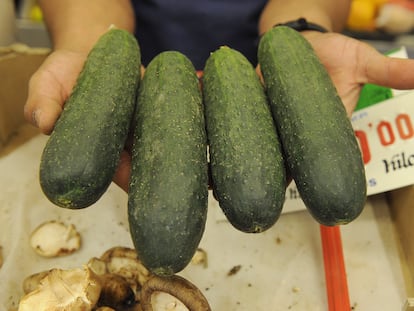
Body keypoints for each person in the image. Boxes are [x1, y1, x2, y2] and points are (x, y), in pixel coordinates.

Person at [24, 0, 414, 192]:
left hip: (260, 78)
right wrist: (93, 48)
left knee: (255, 196)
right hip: (142, 86)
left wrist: (300, 33)